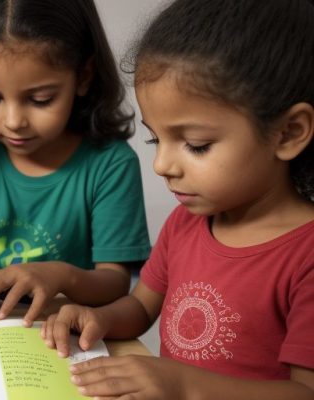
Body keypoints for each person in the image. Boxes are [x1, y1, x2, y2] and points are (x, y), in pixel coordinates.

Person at [43, 0, 314, 398]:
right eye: (156, 139)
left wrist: (183, 384)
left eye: (196, 145)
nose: (161, 165)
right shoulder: (186, 222)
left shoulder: (305, 255)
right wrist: (99, 318)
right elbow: (140, 309)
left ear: (288, 133)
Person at [0, 0, 151, 325]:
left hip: (60, 330)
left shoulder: (111, 164)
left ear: (84, 76)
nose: (14, 121)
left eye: (40, 99)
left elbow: (115, 282)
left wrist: (60, 276)